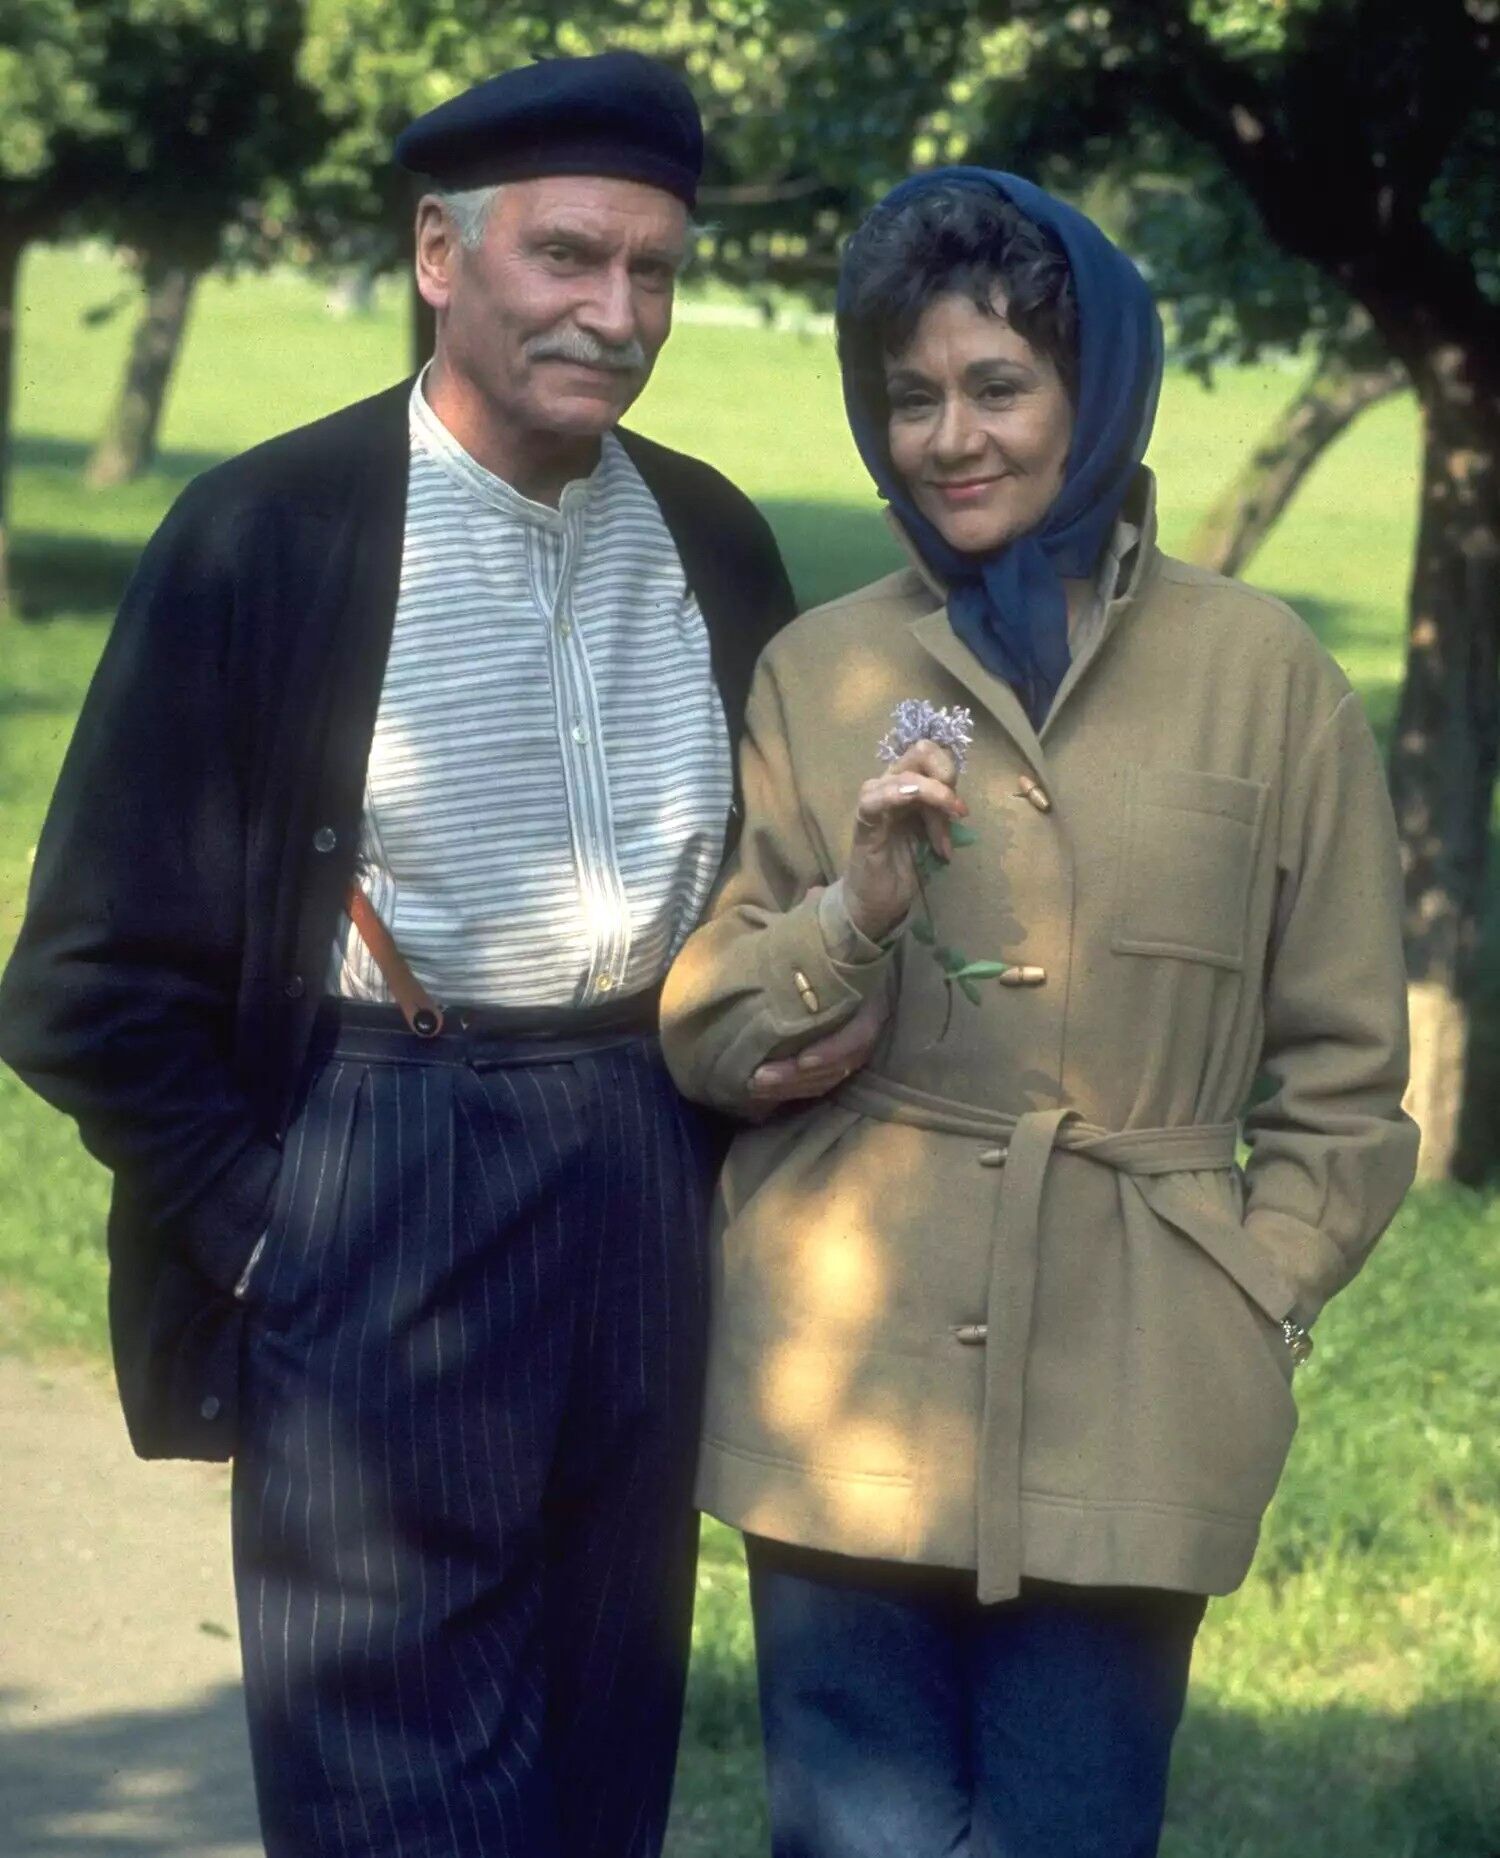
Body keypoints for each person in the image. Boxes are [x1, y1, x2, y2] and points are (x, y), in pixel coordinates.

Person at [0, 52, 880, 1858]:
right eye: (567, 257)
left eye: (652, 270)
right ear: (437, 253)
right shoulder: (268, 534)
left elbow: (774, 884)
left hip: (641, 1163)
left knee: (597, 1760)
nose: (615, 313)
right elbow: (83, 977)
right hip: (383, 1163)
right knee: (393, 1788)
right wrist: (269, 1225)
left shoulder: (709, 534)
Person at [660, 168, 1419, 1858]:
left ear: (1095, 387)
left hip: (1140, 1391)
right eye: (909, 397)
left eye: (998, 386)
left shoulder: (1267, 675)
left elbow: (1351, 1079)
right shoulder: (821, 668)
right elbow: (707, 1030)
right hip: (839, 1381)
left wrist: (1249, 1288)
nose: (951, 438)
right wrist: (856, 906)